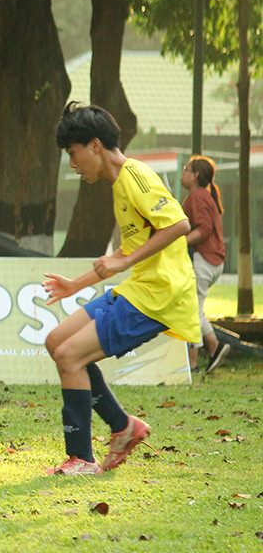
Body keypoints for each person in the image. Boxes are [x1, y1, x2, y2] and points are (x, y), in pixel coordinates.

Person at [42, 103, 199, 476]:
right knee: (56, 342)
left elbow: (178, 224)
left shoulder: (136, 177)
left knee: (68, 356)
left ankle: (81, 458)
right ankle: (124, 427)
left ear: (94, 145)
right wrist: (74, 285)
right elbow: (123, 255)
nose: (73, 164)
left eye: (73, 153)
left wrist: (124, 262)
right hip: (138, 288)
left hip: (158, 296)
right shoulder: (120, 186)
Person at [180, 156, 229, 374]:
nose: (183, 173)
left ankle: (195, 361)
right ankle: (213, 348)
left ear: (195, 175)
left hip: (204, 260)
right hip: (215, 262)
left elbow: (203, 229)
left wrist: (179, 242)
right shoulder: (205, 196)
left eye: (186, 169)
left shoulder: (197, 197)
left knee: (191, 310)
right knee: (196, 309)